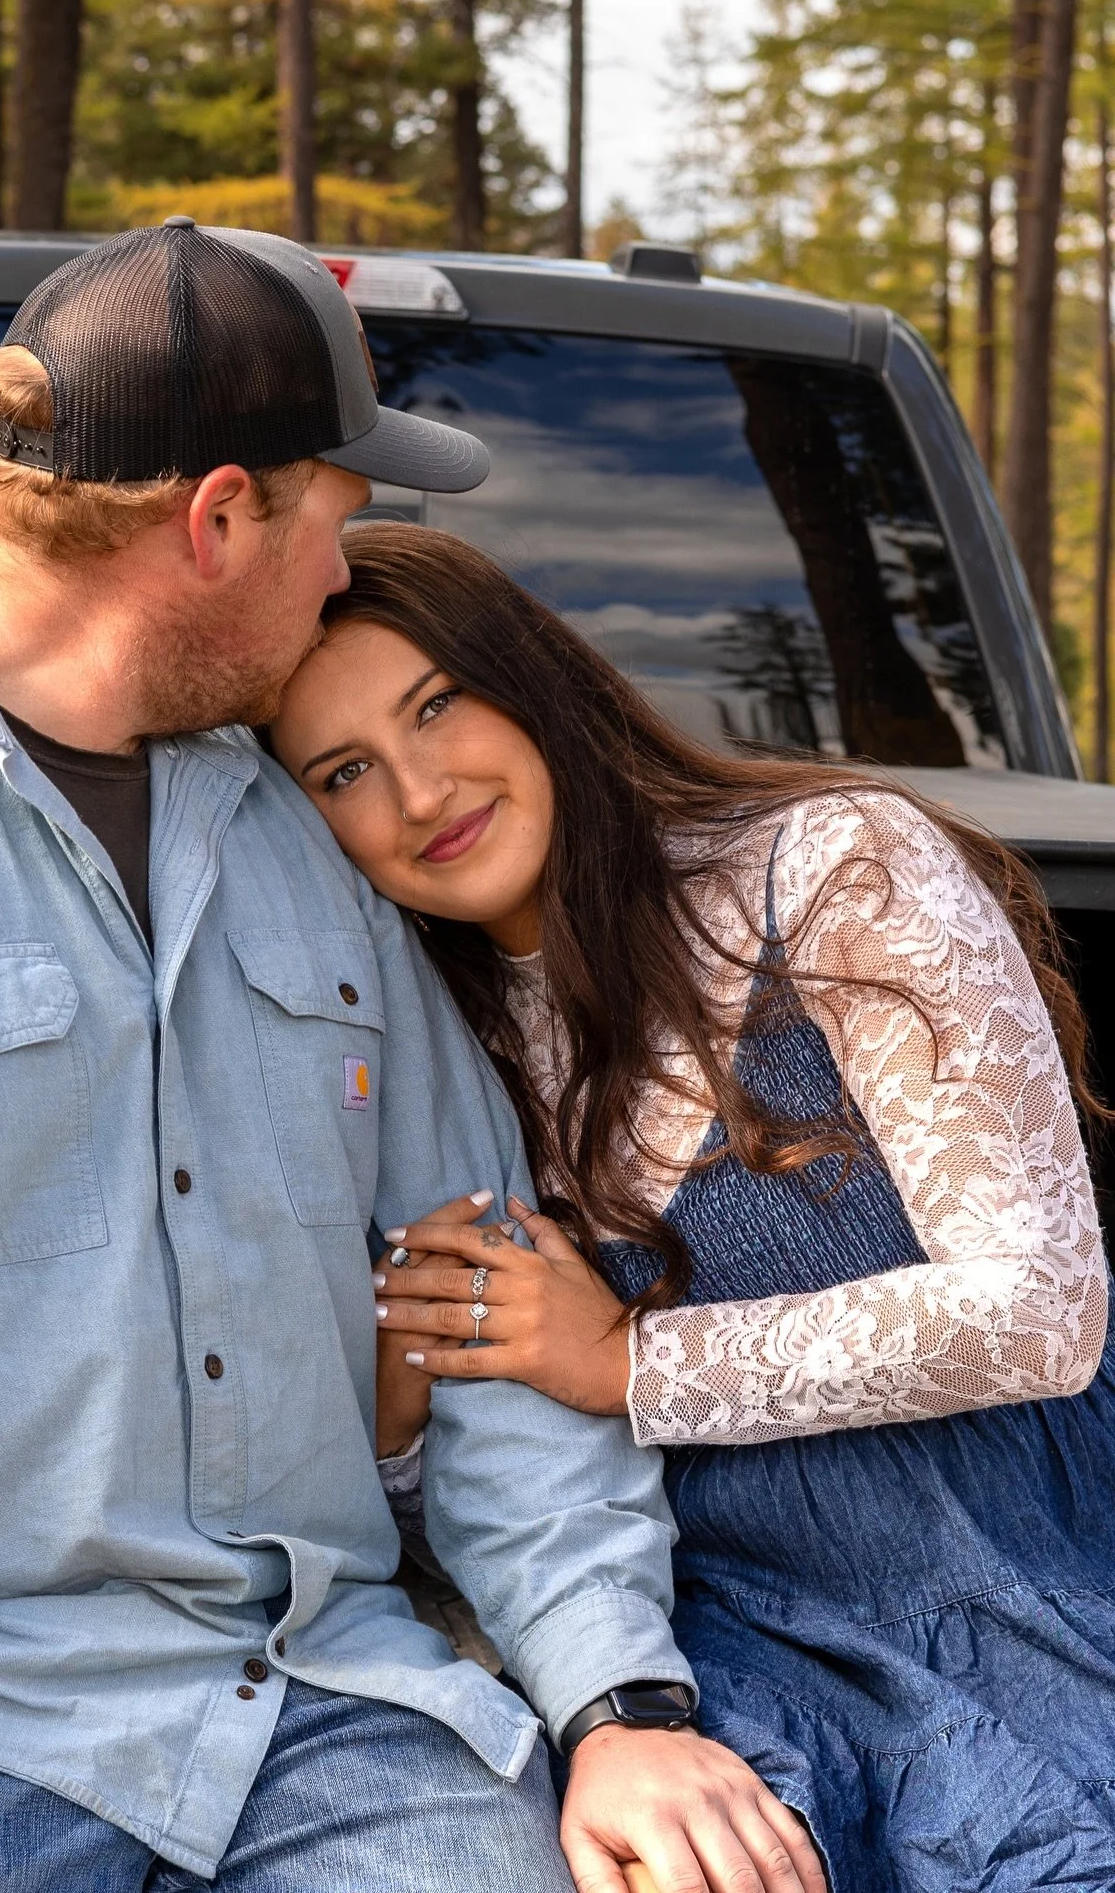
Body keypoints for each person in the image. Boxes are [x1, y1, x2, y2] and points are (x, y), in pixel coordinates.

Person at [0, 222, 826, 1893]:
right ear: (218, 520)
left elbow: (482, 1294)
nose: (344, 586)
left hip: (326, 1707)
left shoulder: (304, 818)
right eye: (337, 525)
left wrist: (614, 1700)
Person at [267, 518, 1115, 1892]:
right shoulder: (426, 1057)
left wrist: (625, 1361)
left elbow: (1041, 1312)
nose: (421, 792)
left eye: (438, 705)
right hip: (724, 1641)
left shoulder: (838, 866)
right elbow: (503, 1503)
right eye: (345, 771)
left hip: (1029, 1568)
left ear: (532, 679)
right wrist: (402, 1418)